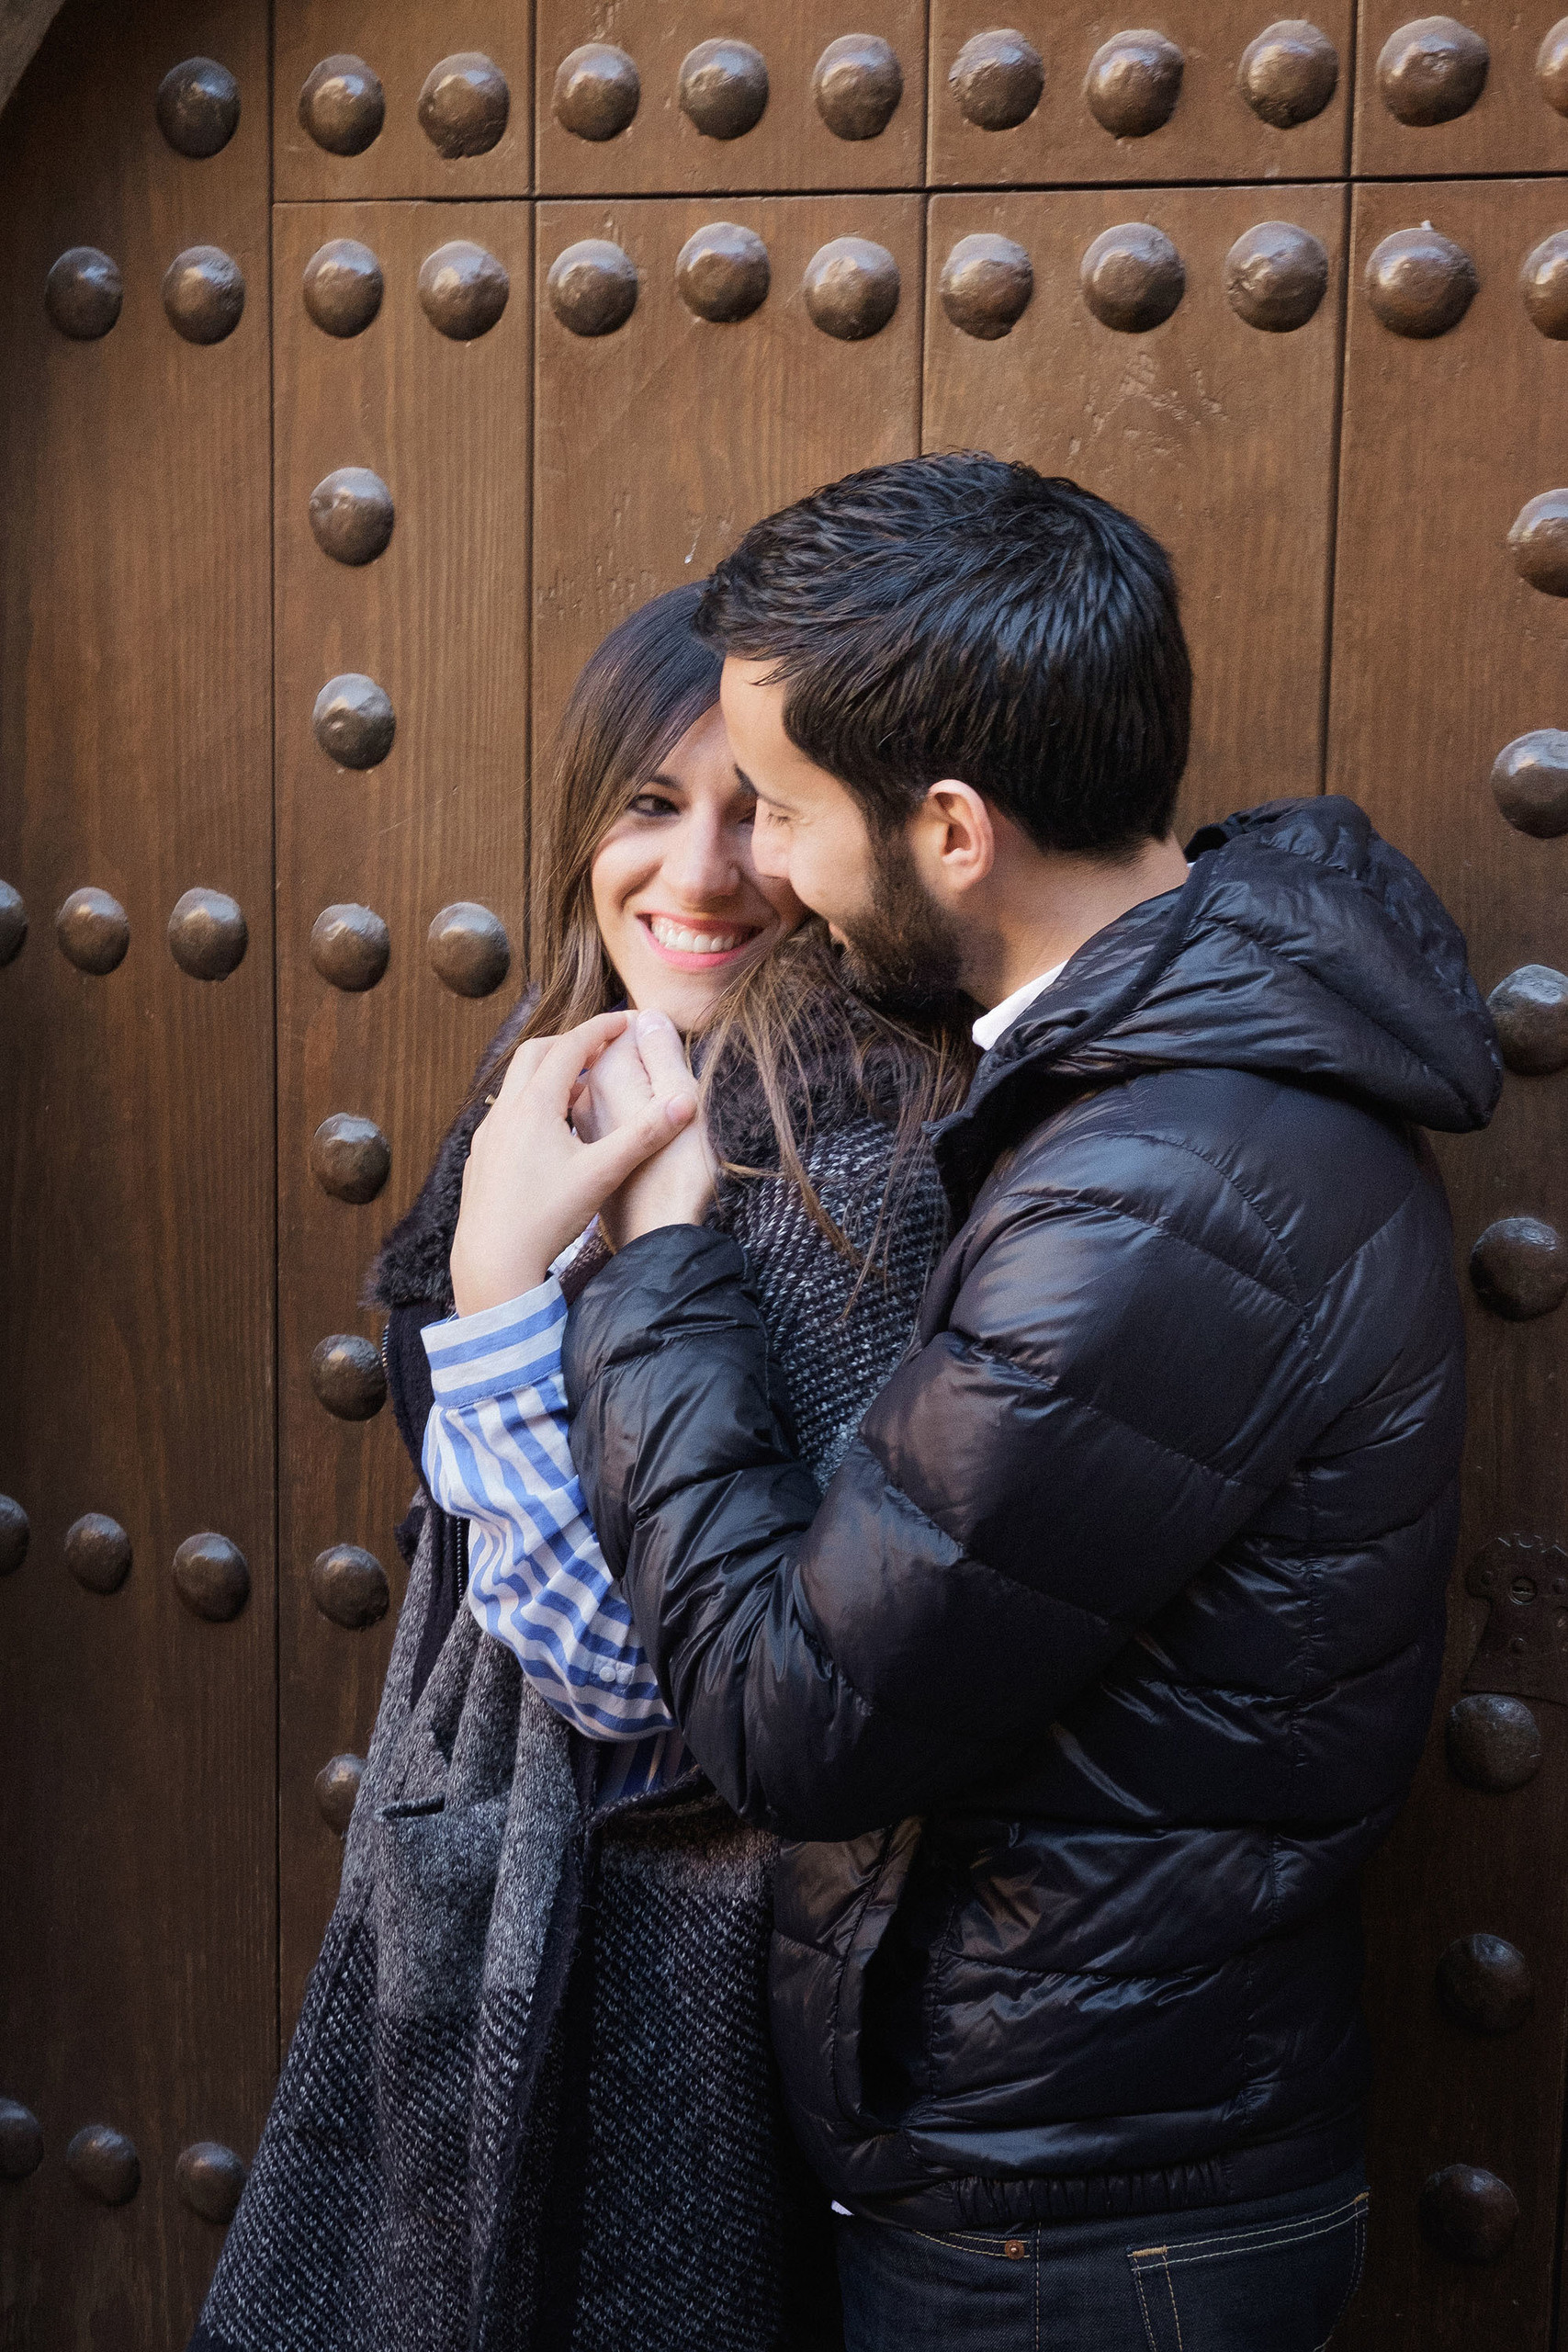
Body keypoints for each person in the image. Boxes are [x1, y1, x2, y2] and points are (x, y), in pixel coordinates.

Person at [466, 456, 1504, 2351]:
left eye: (776, 807)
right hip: (1078, 2169)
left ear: (946, 827)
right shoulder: (1154, 1088)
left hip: (1081, 2228)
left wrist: (651, 1258)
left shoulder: (1154, 1189)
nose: (750, 867)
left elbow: (793, 1712)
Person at [189, 585, 970, 2352]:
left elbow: (653, 1686)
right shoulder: (542, 1094)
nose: (698, 875)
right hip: (516, 1913)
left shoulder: (865, 1157)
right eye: (647, 806)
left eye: (760, 814)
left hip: (700, 1994)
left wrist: (491, 1309)